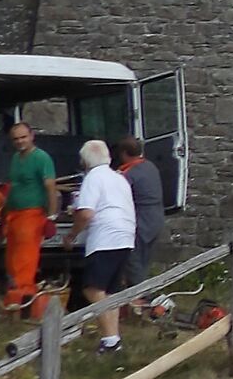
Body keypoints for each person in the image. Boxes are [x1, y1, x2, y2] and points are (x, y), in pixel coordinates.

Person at [71, 140, 137, 358]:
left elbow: (86, 213)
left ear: (85, 161)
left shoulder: (93, 178)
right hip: (126, 235)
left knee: (92, 289)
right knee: (110, 291)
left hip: (105, 238)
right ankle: (113, 339)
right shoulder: (119, 178)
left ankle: (110, 340)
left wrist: (72, 234)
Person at [0, 121, 57, 312]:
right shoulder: (16, 158)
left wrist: (51, 217)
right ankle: (13, 299)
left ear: (32, 136)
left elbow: (51, 187)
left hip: (32, 215)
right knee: (12, 259)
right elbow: (12, 187)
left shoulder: (41, 158)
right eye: (16, 139)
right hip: (14, 216)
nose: (20, 141)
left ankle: (24, 301)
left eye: (23, 137)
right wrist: (4, 214)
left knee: (25, 260)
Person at [115, 136, 166, 290]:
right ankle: (143, 297)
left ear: (124, 153)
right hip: (156, 219)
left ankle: (141, 297)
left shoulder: (129, 175)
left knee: (133, 262)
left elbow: (118, 196)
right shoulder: (150, 166)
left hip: (141, 222)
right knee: (144, 263)